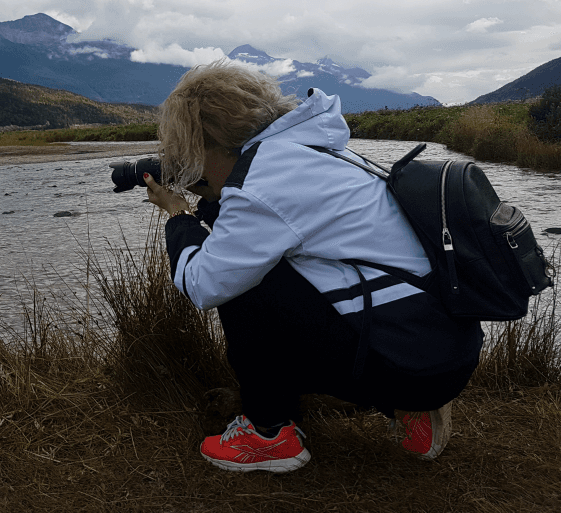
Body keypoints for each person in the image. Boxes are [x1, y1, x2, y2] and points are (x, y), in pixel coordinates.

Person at [143, 59, 483, 474]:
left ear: (210, 141)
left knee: (244, 283)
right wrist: (214, 198)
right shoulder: (310, 149)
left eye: (192, 155)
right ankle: (407, 405)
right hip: (441, 350)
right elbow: (275, 229)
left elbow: (203, 284)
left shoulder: (263, 181)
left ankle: (269, 435)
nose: (188, 165)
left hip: (409, 363)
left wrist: (179, 217)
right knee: (262, 264)